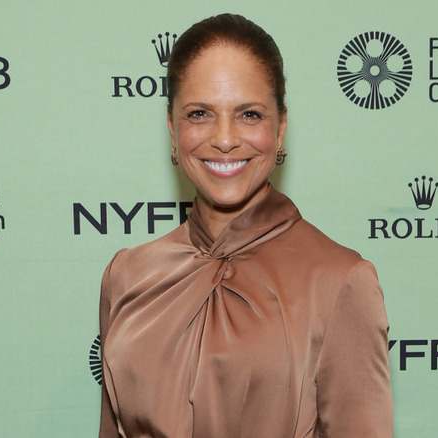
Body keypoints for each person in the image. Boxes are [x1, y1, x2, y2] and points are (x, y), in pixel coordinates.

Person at [99, 13, 392, 438]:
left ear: (281, 127)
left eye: (249, 114)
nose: (224, 138)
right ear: (172, 128)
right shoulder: (127, 275)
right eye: (200, 113)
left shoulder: (341, 281)